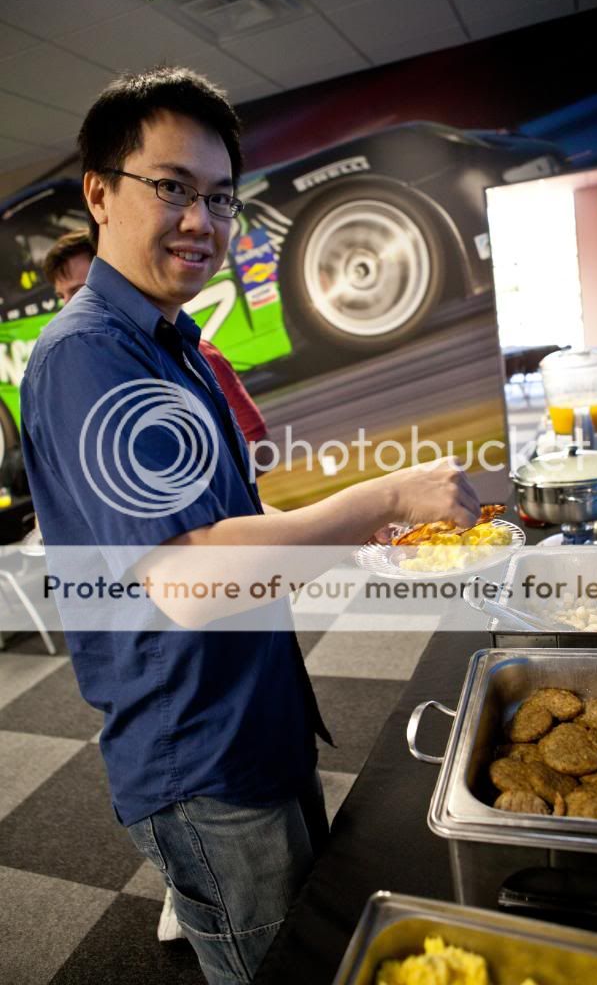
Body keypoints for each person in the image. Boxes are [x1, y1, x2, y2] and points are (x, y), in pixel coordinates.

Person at [20, 67, 480, 985]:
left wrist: (359, 537)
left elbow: (229, 525)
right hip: (199, 754)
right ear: (101, 193)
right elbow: (186, 580)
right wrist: (382, 500)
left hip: (252, 718)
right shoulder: (88, 358)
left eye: (222, 197)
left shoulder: (170, 341)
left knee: (314, 935)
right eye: (173, 188)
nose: (202, 220)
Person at [43, 228, 268, 448]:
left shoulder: (197, 357)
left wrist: (193, 483)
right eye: (62, 296)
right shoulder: (92, 374)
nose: (68, 306)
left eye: (78, 291)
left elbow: (259, 447)